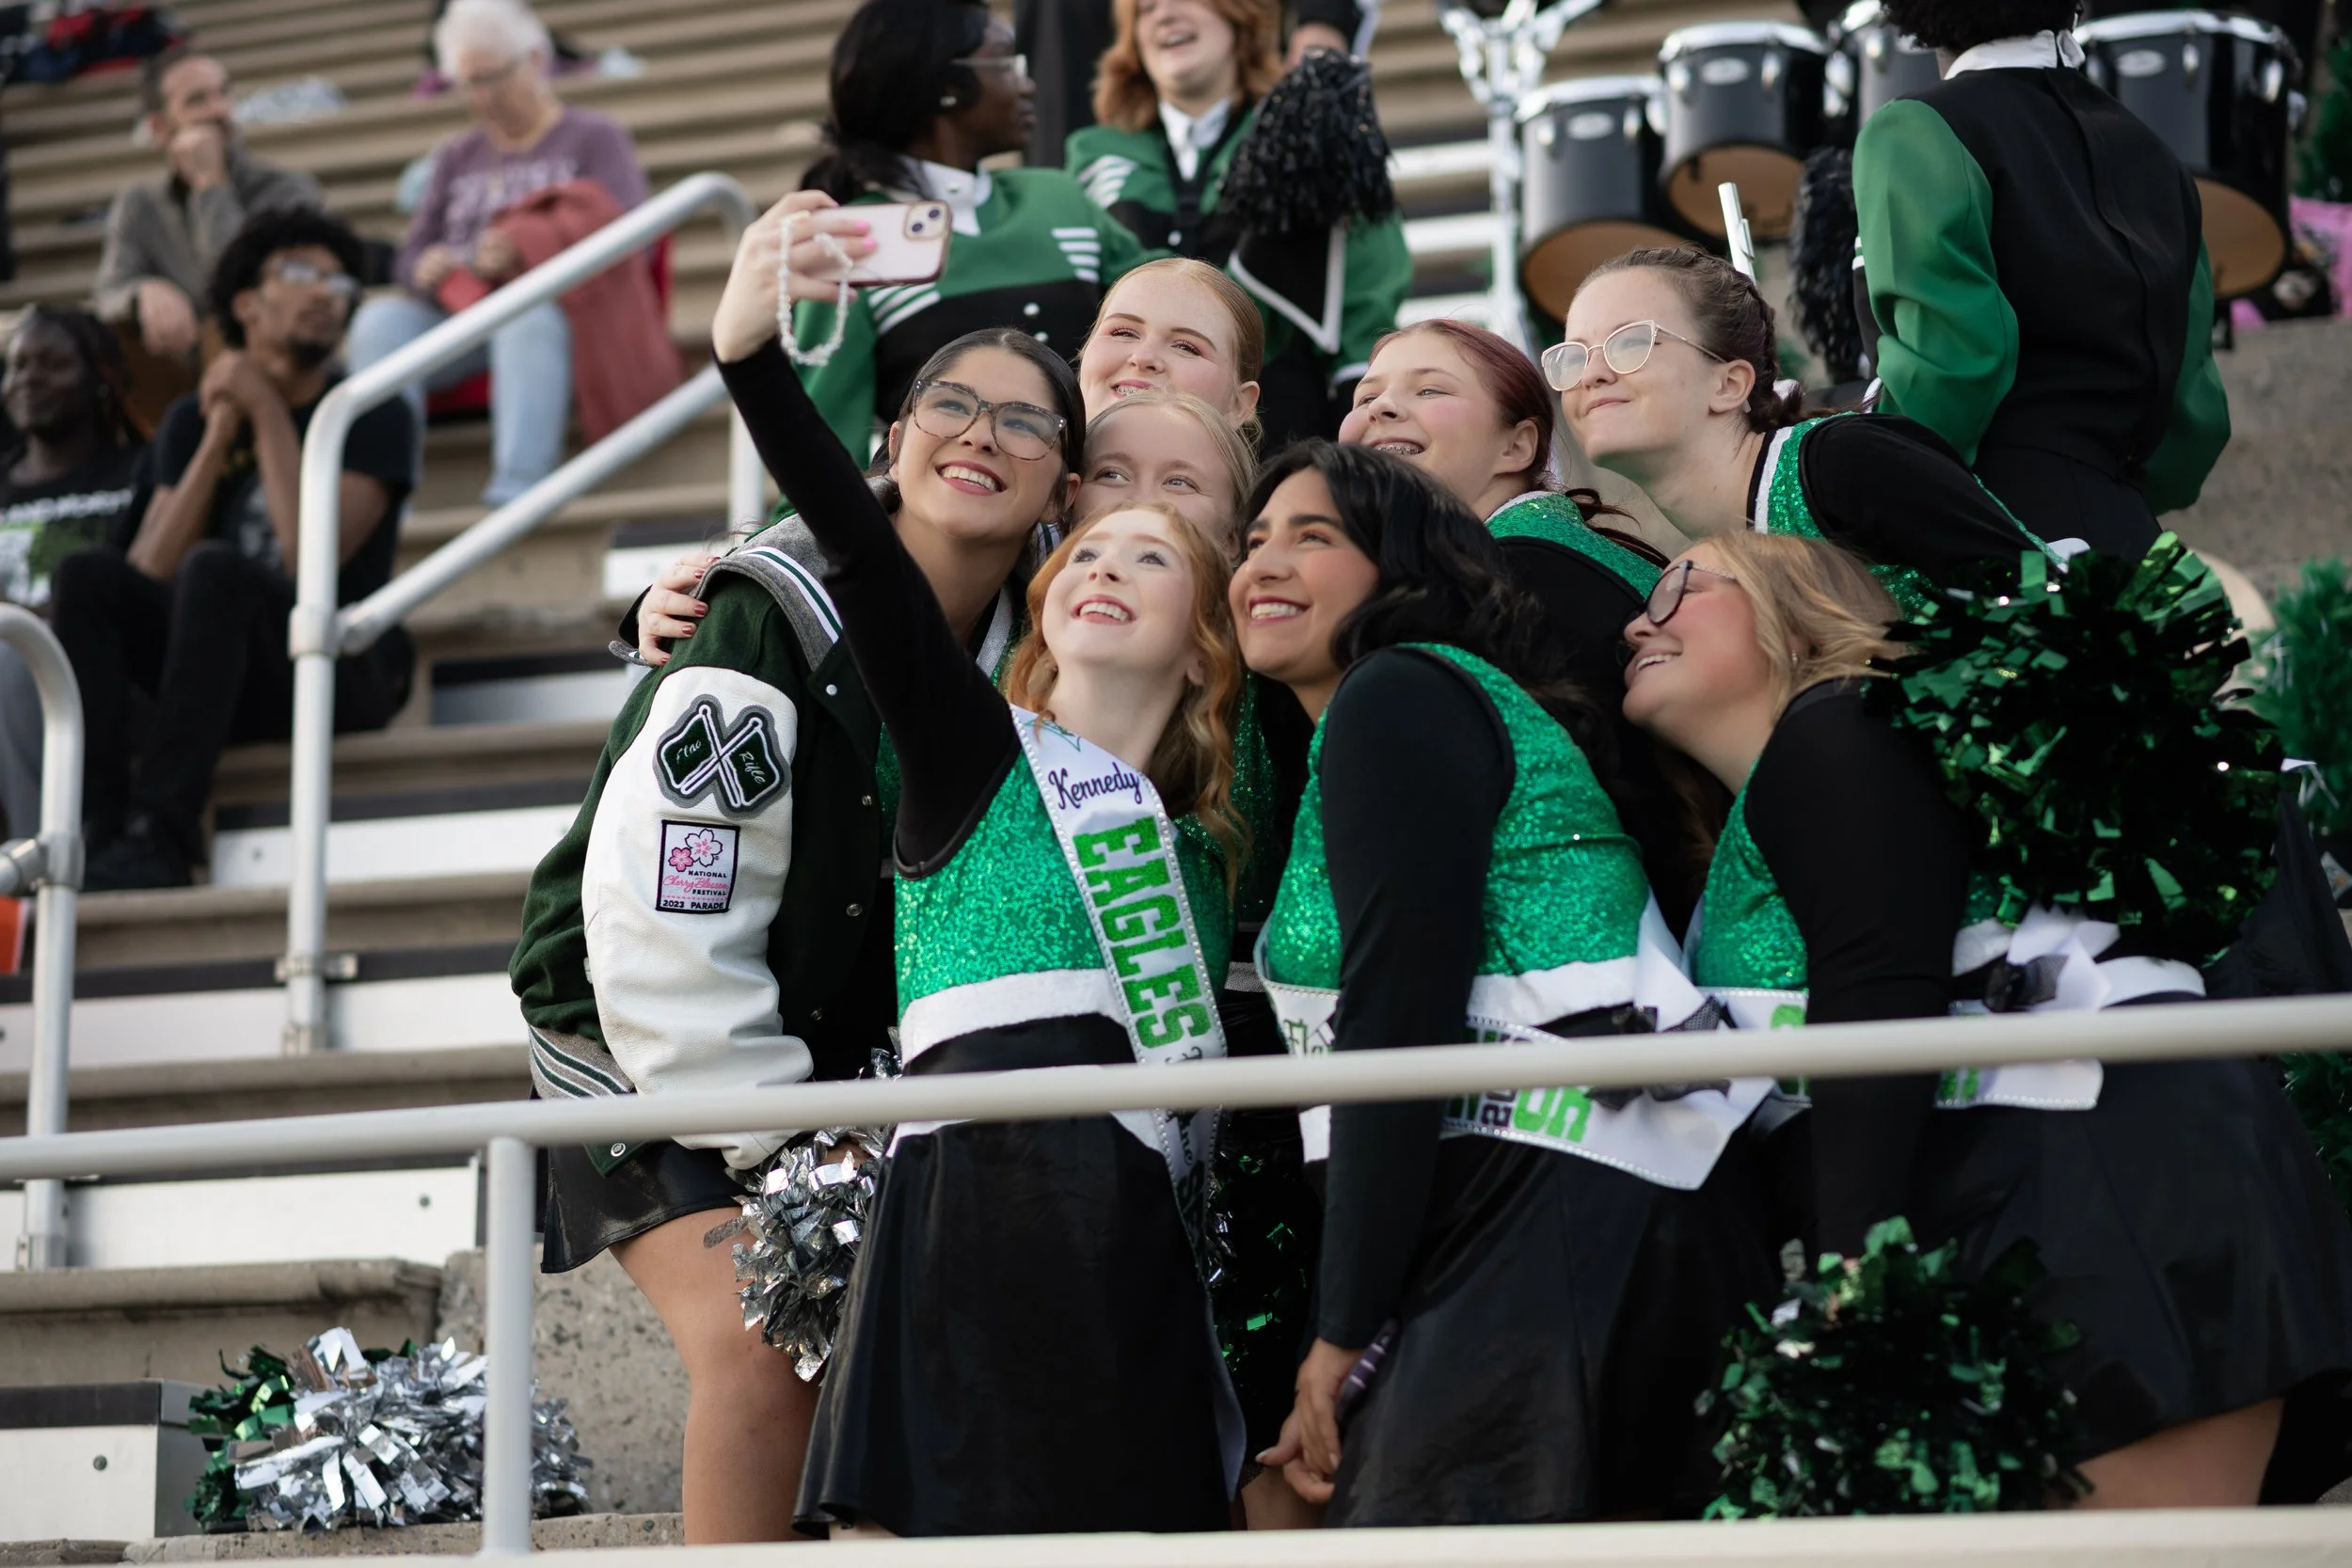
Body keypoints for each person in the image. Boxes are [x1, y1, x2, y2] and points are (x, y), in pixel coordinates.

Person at [1623, 525, 2352, 1507]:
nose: (1638, 620)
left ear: (1794, 613)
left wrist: (1851, 1279)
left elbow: (1880, 981)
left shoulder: (1839, 724)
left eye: (1680, 588)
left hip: (2104, 1178)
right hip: (2017, 1194)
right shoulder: (1766, 815)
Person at [724, 190, 1248, 1538]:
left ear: (1206, 640)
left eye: (1152, 553)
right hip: (958, 1213)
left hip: (1123, 1226)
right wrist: (751, 354)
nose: (1101, 568)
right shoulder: (969, 751)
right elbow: (855, 539)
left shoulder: (1203, 844)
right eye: (1084, 548)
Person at [1240, 439, 1778, 1525]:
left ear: (1404, 573)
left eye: (1313, 536)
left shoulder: (1400, 690)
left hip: (1570, 1193)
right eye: (1251, 541)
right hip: (1540, 1202)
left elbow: (1401, 1012)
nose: (1263, 563)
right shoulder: (1394, 710)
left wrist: (1339, 1329)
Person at [55, 212, 416, 892]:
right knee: (87, 577)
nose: (327, 293)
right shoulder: (193, 418)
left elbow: (308, 561)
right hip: (214, 668)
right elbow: (146, 572)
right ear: (245, 303)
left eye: (340, 281)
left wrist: (267, 410)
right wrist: (221, 430)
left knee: (216, 567)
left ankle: (162, 832)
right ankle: (97, 830)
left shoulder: (370, 412)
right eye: (303, 274)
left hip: (336, 665)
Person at [1852, 0, 2231, 555]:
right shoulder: (2156, 154)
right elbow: (2194, 417)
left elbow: (1951, 371)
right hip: (2139, 547)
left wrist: (1857, 479)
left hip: (1992, 540)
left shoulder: (1911, 129)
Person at [1553, 246, 2044, 622]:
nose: (1590, 374)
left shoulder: (1845, 461)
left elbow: (2044, 598)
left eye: (1631, 342)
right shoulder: (1713, 566)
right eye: (1573, 354)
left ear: (1728, 385)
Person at [788, 0, 1150, 456]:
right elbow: (823, 455)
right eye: (1007, 62)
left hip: (1098, 503)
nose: (1029, 84)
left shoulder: (1060, 197)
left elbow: (1177, 302)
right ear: (947, 86)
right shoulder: (850, 241)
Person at [1068, 0, 1409, 448]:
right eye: (1146, 9)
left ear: (1239, 18)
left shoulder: (1306, 132)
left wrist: (1357, 397)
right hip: (1124, 421)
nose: (1164, 14)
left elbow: (1369, 274)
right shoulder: (1092, 151)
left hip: (1280, 425)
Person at [348, 0, 648, 505]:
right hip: (460, 312)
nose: (481, 97)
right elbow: (409, 254)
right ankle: (379, 495)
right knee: (378, 322)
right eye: (467, 83)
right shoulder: (455, 154)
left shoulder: (595, 137)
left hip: (560, 315)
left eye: (492, 78)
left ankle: (518, 492)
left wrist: (526, 248)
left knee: (525, 314)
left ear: (535, 59)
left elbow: (630, 232)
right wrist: (426, 266)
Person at [91, 48, 323, 425]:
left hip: (276, 373)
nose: (220, 111)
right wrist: (141, 294)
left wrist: (210, 185)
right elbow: (106, 294)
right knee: (112, 336)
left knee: (223, 326)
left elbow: (236, 286)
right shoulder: (138, 204)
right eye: (198, 101)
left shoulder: (288, 190)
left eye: (224, 93)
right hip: (179, 372)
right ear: (159, 128)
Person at [0, 308, 151, 840]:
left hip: (97, 682)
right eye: (17, 366)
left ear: (101, 378)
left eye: (53, 363)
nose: (29, 380)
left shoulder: (138, 472)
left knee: (12, 657)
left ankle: (41, 872)